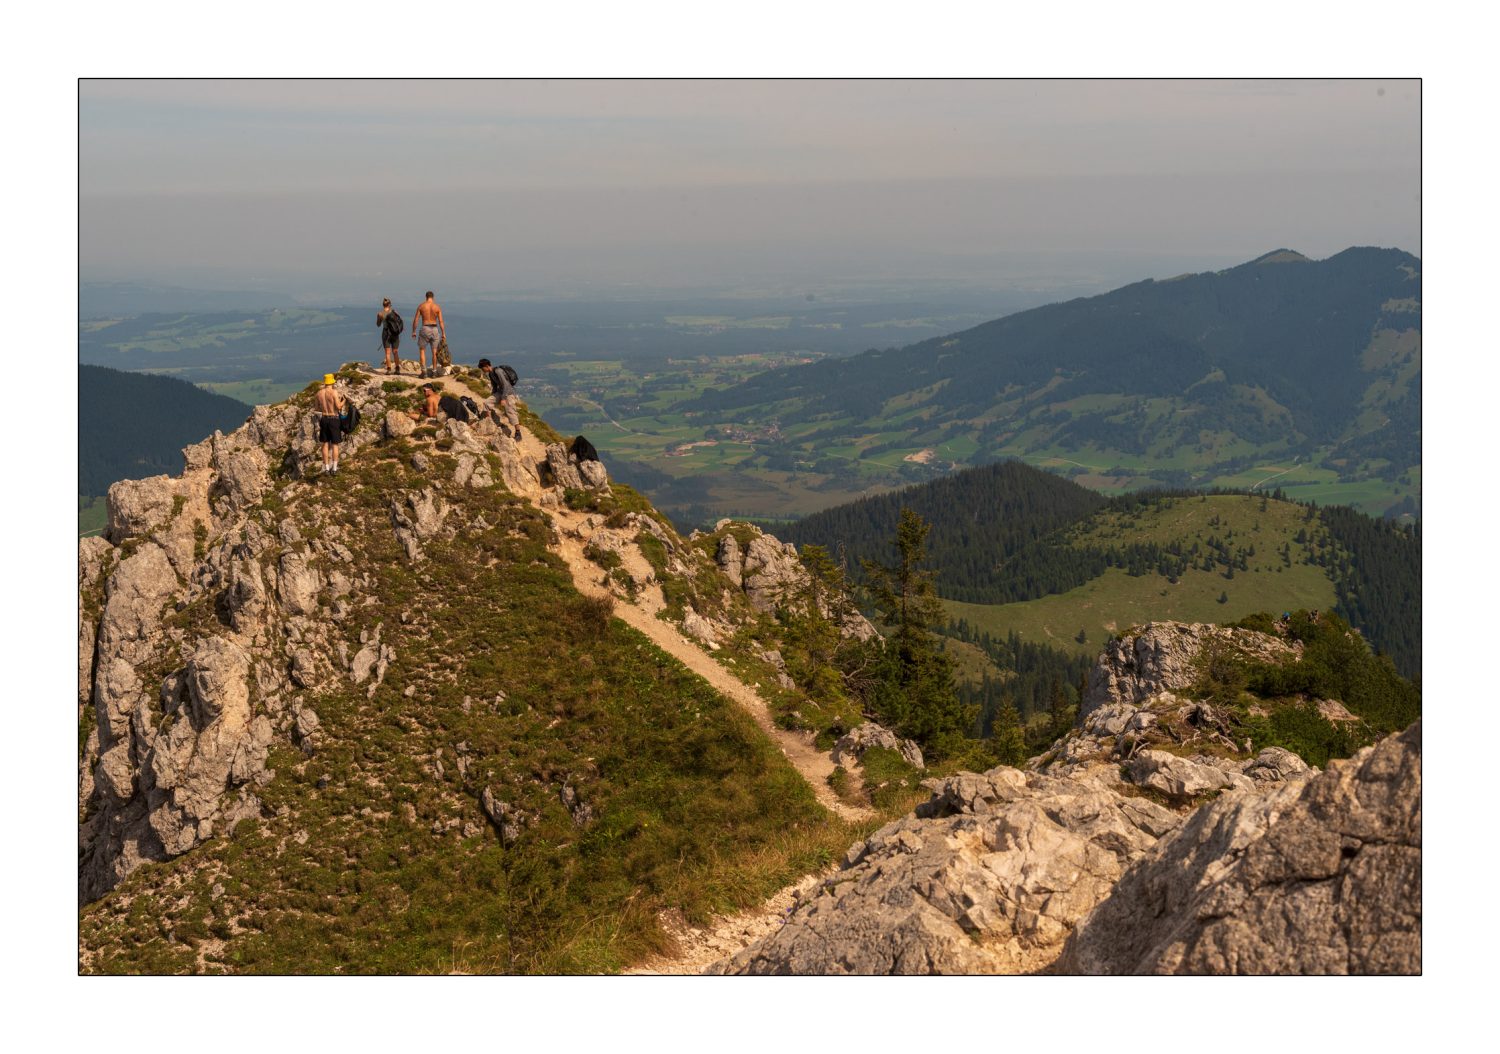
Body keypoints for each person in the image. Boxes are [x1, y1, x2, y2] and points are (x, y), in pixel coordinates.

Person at [477, 357, 521, 441]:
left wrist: (503, 398)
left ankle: (518, 432)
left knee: (510, 412)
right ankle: (490, 423)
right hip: (500, 392)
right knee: (487, 402)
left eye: (483, 368)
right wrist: (493, 396)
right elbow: (494, 386)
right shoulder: (491, 374)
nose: (483, 371)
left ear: (487, 366)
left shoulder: (498, 371)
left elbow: (506, 385)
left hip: (508, 393)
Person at [314, 373, 348, 473]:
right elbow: (338, 407)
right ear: (332, 382)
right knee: (334, 444)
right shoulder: (334, 392)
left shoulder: (318, 393)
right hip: (334, 419)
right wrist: (344, 401)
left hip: (324, 419)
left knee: (324, 444)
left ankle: (326, 467)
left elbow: (316, 408)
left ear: (325, 382)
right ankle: (334, 468)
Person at [411, 291, 446, 378]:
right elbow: (441, 321)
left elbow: (416, 320)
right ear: (433, 297)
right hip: (434, 328)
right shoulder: (437, 307)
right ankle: (434, 372)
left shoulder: (421, 306)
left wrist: (414, 331)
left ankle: (424, 372)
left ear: (426, 297)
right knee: (434, 352)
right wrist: (443, 333)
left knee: (422, 350)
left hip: (425, 328)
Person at [377, 298, 403, 374]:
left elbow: (378, 325)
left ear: (383, 305)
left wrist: (379, 318)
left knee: (387, 353)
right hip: (395, 334)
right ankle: (397, 369)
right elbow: (399, 321)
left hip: (386, 333)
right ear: (389, 304)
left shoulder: (380, 314)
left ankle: (389, 369)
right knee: (395, 351)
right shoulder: (394, 312)